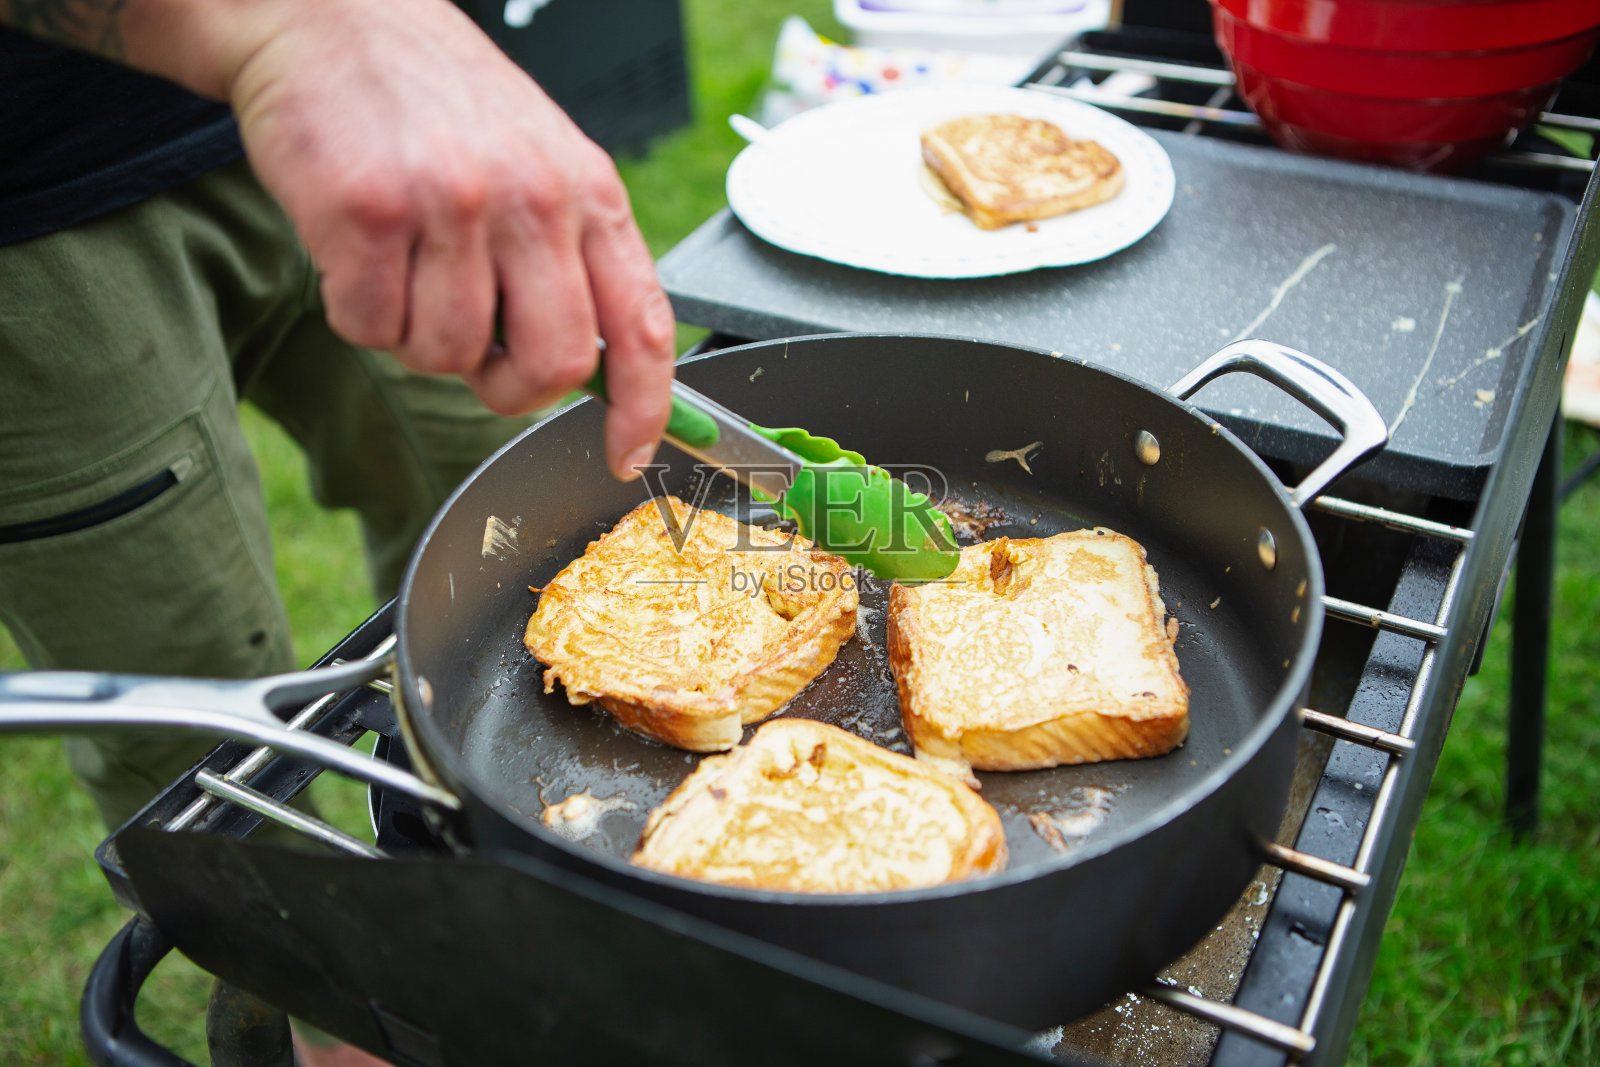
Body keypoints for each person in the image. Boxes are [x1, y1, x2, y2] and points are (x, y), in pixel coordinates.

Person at [0, 0, 678, 1062]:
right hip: (34, 203)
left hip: (399, 133)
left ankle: (511, 921)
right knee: (199, 735)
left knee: (525, 549)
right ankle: (346, 1026)